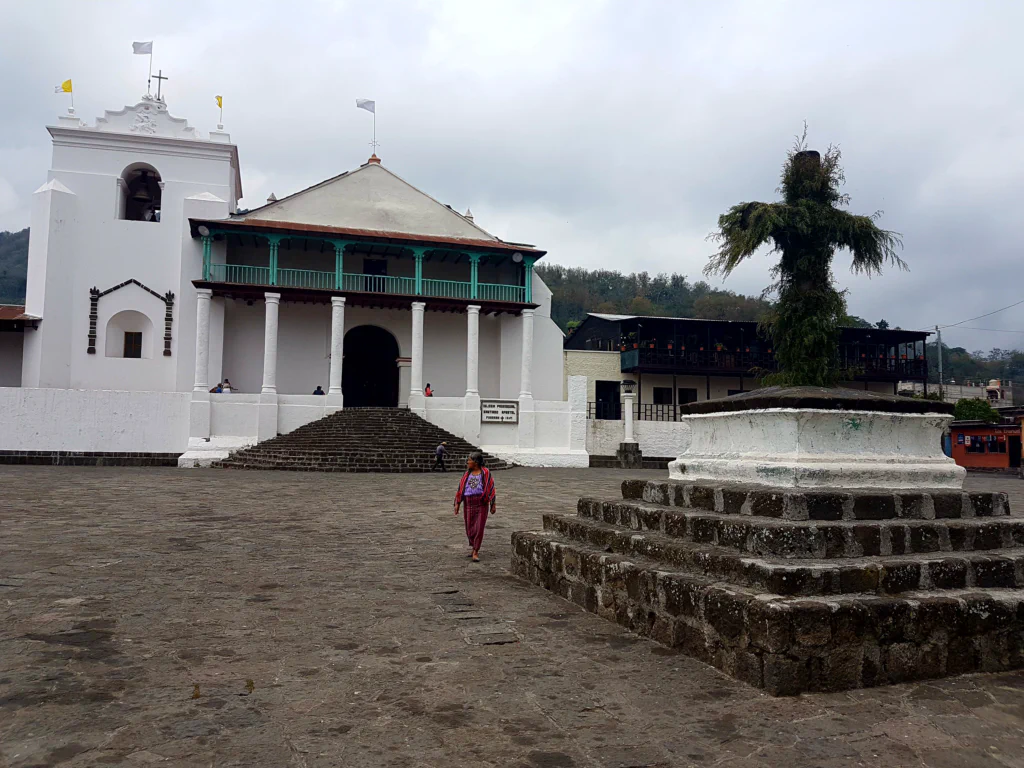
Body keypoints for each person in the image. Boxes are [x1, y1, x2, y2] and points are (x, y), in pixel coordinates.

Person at [454, 452, 496, 563]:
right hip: (468, 503)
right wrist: (458, 503)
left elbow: (490, 486)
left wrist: (493, 503)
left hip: (481, 502)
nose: (467, 462)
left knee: (479, 527)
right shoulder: (467, 473)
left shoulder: (485, 472)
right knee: (469, 527)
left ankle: (476, 551)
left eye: (469, 460)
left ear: (476, 462)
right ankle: (473, 546)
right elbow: (461, 487)